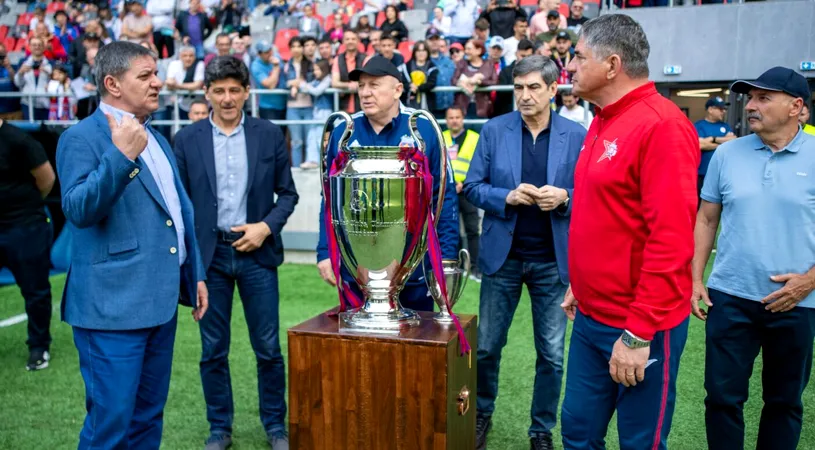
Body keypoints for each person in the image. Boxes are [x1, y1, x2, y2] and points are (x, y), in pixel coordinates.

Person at [55, 41, 208, 450]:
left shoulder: (154, 135)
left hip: (158, 305)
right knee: (110, 426)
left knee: (146, 420)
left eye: (156, 73)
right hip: (111, 310)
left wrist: (195, 274)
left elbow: (178, 211)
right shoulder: (80, 138)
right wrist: (121, 158)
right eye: (145, 76)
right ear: (112, 83)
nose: (158, 82)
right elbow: (77, 209)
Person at [560, 15, 699, 449]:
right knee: (578, 434)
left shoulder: (662, 125)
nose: (571, 66)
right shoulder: (604, 118)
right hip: (589, 315)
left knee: (639, 443)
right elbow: (604, 213)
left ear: (612, 64)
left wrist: (638, 333)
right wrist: (580, 284)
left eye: (579, 56)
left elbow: (672, 241)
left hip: (640, 326)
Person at [174, 56, 297, 450]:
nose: (227, 98)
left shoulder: (269, 134)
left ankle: (276, 426)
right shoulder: (186, 139)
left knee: (268, 348)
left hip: (256, 255)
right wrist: (190, 266)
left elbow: (289, 194)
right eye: (219, 90)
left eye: (234, 90)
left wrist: (265, 227)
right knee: (213, 350)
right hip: (210, 261)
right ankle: (219, 429)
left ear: (247, 91)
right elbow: (180, 204)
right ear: (206, 92)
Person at [464, 55, 585, 450]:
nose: (524, 95)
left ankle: (540, 430)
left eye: (534, 87)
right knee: (485, 347)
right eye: (518, 87)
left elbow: (595, 193)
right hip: (504, 258)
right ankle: (481, 413)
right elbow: (471, 187)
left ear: (554, 89)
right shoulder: (495, 130)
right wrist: (507, 197)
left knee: (551, 355)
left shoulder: (577, 134)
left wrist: (566, 196)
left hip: (553, 261)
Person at [692, 66, 815, 450]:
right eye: (749, 97)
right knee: (722, 399)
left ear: (798, 107)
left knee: (784, 402)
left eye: (764, 97)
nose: (750, 105)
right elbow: (706, 218)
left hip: (797, 300)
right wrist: (696, 278)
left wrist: (810, 280)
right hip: (730, 298)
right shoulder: (726, 154)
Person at [316, 56, 459, 312]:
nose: (366, 93)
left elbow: (443, 196)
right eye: (361, 86)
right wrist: (325, 251)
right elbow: (329, 198)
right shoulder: (343, 132)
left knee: (415, 341)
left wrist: (445, 258)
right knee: (362, 345)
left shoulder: (424, 129)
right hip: (357, 266)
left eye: (374, 84)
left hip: (414, 266)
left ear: (397, 90)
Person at [0, 119, 55, 371]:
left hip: (24, 225)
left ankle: (39, 346)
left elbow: (46, 179)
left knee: (35, 290)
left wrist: (27, 207)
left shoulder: (19, 140)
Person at [443, 106, 481, 280]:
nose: (454, 121)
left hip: (468, 190)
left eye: (457, 117)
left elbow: (479, 165)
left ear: (463, 118)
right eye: (451, 117)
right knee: (452, 230)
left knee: (472, 229)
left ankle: (475, 269)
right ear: (446, 120)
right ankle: (455, 267)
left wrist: (464, 184)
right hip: (447, 190)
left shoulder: (474, 138)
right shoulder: (441, 137)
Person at [695, 96, 735, 201]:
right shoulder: (699, 126)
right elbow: (699, 145)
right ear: (710, 109)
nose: (724, 112)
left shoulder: (725, 126)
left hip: (722, 173)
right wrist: (722, 143)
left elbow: (733, 141)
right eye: (720, 109)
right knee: (702, 203)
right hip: (702, 173)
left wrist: (712, 138)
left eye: (724, 109)